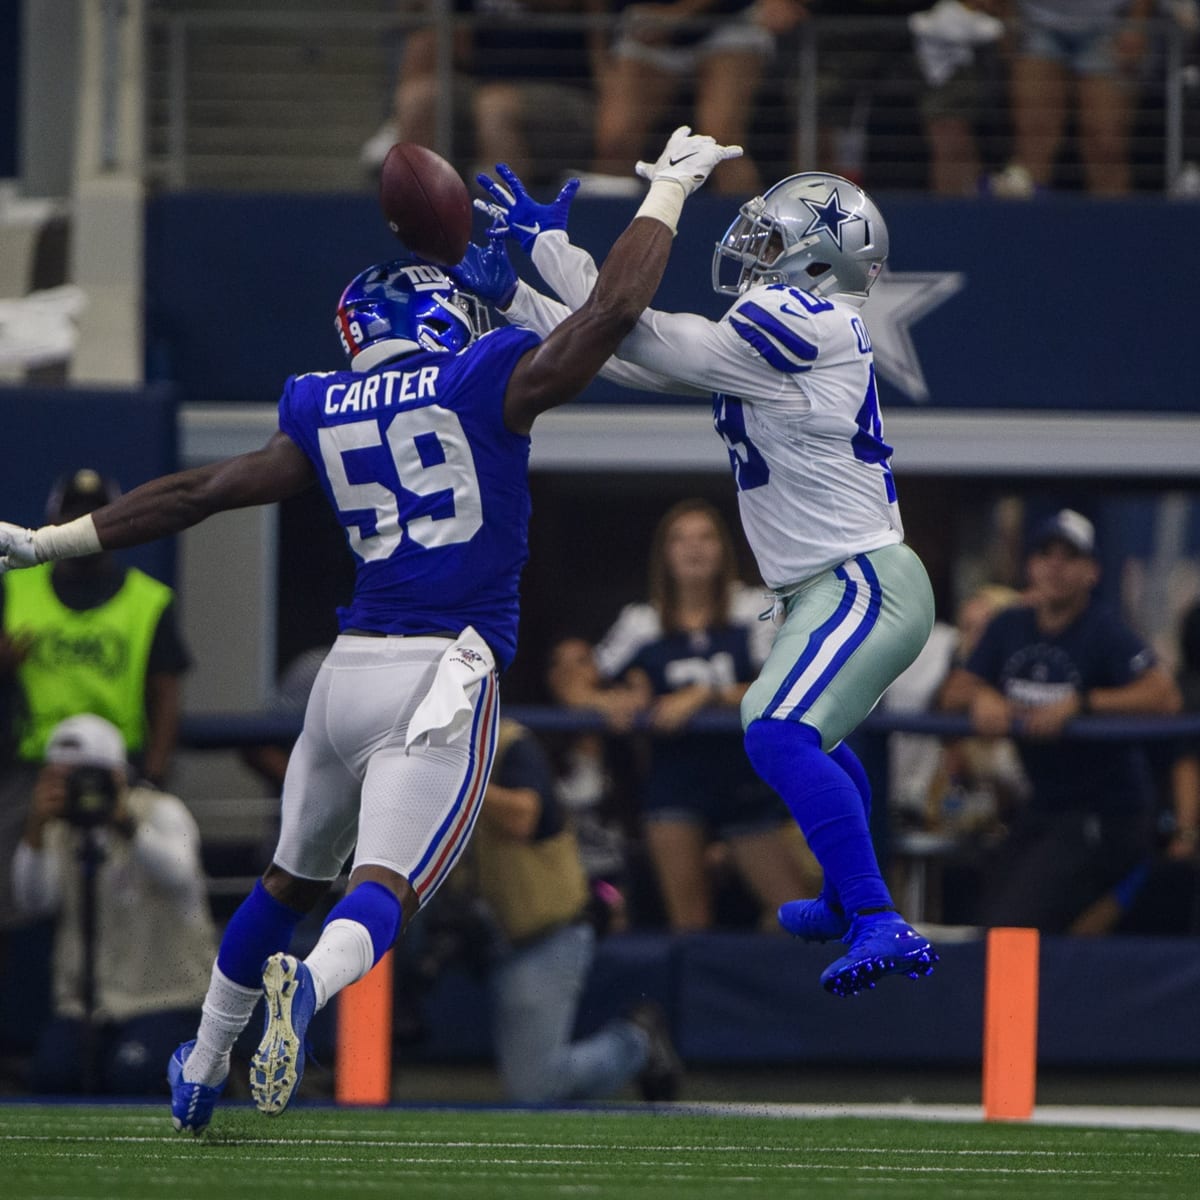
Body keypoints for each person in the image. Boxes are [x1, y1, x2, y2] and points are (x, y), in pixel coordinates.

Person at [0, 125, 740, 1131]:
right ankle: (307, 987)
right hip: (445, 673)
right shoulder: (483, 379)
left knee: (287, 876)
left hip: (343, 676)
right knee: (382, 886)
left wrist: (50, 544)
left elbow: (200, 491)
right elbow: (614, 311)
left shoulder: (319, 404)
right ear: (438, 315)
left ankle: (203, 1061)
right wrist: (669, 194)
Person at [468, 159, 940, 996]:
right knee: (804, 735)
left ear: (820, 260)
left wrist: (549, 252)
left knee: (775, 733)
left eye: (774, 239)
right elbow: (629, 357)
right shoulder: (783, 332)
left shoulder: (811, 317)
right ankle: (846, 896)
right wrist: (519, 294)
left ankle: (876, 916)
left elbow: (636, 326)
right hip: (828, 584)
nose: (755, 252)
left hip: (862, 578)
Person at [550, 498, 819, 931]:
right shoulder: (643, 621)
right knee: (690, 925)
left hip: (745, 784)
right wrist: (608, 702)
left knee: (799, 912)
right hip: (674, 783)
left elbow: (783, 685)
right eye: (680, 539)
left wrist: (705, 695)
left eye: (706, 537)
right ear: (665, 553)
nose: (694, 549)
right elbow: (572, 682)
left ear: (724, 550)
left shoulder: (752, 606)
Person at [938, 508, 1182, 930]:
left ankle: (1032, 992)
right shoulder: (1009, 625)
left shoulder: (1103, 628)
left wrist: (1082, 704)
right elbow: (954, 690)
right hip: (1043, 806)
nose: (1055, 566)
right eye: (1045, 554)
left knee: (1012, 923)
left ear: (1092, 572)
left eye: (1070, 557)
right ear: (1029, 566)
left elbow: (1165, 694)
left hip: (1108, 813)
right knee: (984, 915)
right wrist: (983, 696)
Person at [416, 717, 681, 1102]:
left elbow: (525, 816)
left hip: (540, 930)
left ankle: (636, 1041)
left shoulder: (510, 743)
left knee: (536, 1087)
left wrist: (456, 781)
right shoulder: (412, 746)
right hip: (471, 925)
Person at [0, 468, 191, 935]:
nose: (78, 523)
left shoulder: (147, 600)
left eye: (91, 515)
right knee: (12, 895)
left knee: (119, 900)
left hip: (117, 768)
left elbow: (168, 689)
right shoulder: (14, 586)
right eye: (70, 515)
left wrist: (156, 772)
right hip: (31, 768)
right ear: (51, 519)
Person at [11, 714, 215, 1095]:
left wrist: (123, 820)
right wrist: (36, 827)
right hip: (87, 1005)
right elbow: (34, 900)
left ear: (117, 774)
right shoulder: (59, 828)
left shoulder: (161, 811)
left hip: (164, 996)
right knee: (53, 1074)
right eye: (63, 778)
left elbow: (179, 873)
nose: (80, 789)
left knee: (133, 1076)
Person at [363, 1, 609, 187]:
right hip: (483, 85)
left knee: (494, 109)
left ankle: (501, 225)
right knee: (421, 98)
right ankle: (419, 224)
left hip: (566, 94)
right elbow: (452, 35)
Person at [588, 1, 805, 196]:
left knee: (722, 142)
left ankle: (753, 236)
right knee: (615, 140)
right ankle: (606, 236)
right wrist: (600, 60)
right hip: (646, 27)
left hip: (730, 23)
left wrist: (676, 14)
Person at [991, 0, 1154, 196]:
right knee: (1035, 134)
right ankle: (1027, 222)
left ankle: (1113, 223)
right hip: (1035, 24)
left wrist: (1135, 24)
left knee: (1106, 142)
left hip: (1108, 24)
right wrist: (1006, 17)